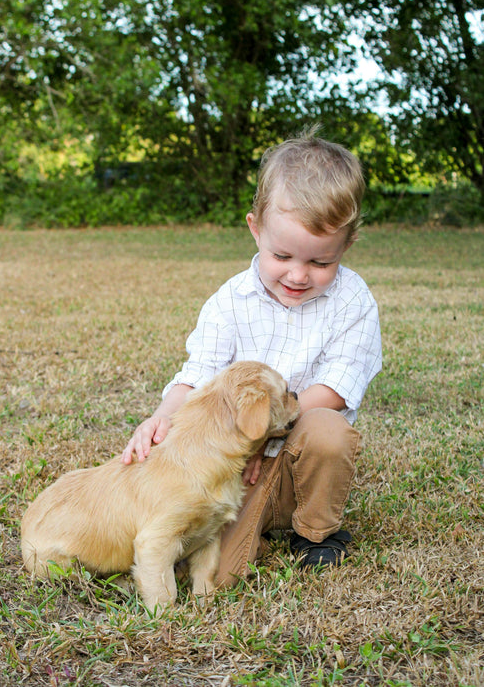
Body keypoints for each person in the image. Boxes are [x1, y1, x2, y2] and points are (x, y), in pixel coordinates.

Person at [122, 127, 382, 585]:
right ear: (255, 229)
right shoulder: (230, 301)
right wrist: (162, 417)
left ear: (346, 245)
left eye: (321, 263)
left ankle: (316, 531)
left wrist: (265, 433)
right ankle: (252, 529)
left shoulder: (353, 301)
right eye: (282, 255)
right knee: (215, 575)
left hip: (297, 446)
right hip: (236, 464)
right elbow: (198, 374)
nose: (299, 275)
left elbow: (336, 390)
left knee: (328, 430)